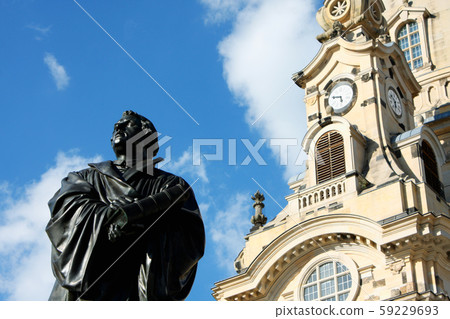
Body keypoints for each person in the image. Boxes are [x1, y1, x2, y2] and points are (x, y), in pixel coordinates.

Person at [46, 110, 205, 300]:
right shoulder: (84, 177)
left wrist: (142, 228)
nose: (118, 127)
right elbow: (66, 212)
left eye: (128, 124)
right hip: (83, 283)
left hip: (129, 285)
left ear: (146, 136)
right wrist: (108, 215)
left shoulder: (170, 186)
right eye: (116, 126)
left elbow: (187, 239)